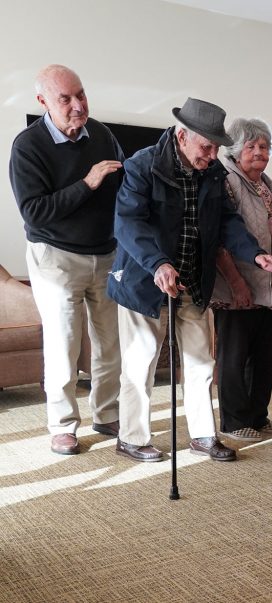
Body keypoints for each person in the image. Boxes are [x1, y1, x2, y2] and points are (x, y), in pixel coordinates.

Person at [108, 98, 272, 463]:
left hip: (192, 281)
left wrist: (254, 253)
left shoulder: (212, 173)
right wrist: (158, 263)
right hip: (146, 282)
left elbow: (227, 222)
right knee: (141, 363)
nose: (212, 154)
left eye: (217, 147)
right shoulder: (143, 165)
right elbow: (128, 223)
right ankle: (131, 438)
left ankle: (204, 436)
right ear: (181, 136)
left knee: (201, 363)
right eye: (206, 146)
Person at [9, 64, 123, 456]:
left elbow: (123, 191)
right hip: (55, 256)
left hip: (105, 254)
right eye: (65, 99)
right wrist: (87, 183)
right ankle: (62, 425)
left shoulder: (104, 136)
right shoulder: (28, 146)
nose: (78, 105)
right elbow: (35, 212)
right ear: (43, 101)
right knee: (64, 344)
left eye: (81, 94)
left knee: (111, 343)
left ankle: (107, 415)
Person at [209, 118, 272, 442]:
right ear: (235, 150)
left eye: (264, 146)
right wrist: (236, 283)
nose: (260, 152)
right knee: (234, 355)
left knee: (265, 354)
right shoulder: (228, 180)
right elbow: (220, 236)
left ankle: (258, 415)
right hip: (239, 287)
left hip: (270, 290)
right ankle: (234, 420)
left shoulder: (264, 181)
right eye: (252, 146)